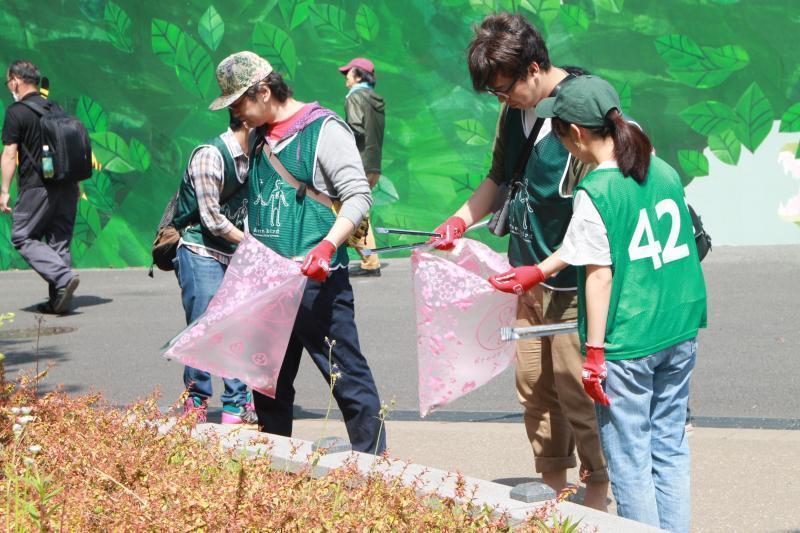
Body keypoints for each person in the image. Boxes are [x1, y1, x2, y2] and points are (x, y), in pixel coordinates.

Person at [488, 75, 707, 532]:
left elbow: (599, 273)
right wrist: (539, 271)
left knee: (628, 457)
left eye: (561, 133)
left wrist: (594, 353)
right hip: (680, 328)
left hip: (630, 338)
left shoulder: (596, 190)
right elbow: (592, 241)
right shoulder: (661, 170)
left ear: (579, 134)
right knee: (668, 448)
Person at [430, 13, 608, 508]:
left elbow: (604, 205)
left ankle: (599, 487)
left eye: (505, 88)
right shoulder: (513, 113)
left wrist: (548, 268)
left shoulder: (581, 107)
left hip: (574, 277)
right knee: (534, 385)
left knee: (578, 389)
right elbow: (497, 178)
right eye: (493, 92)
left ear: (533, 68)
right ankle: (553, 482)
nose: (501, 98)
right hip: (525, 274)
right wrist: (459, 220)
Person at [209, 51, 386, 454]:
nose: (237, 116)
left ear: (265, 92)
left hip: (317, 285)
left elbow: (359, 195)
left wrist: (327, 245)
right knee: (267, 384)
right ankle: (274, 467)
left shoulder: (324, 130)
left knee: (347, 378)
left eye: (239, 105)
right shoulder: (258, 137)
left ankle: (375, 468)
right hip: (268, 285)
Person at [172, 110, 256, 424]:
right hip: (201, 250)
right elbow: (212, 220)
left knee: (237, 327)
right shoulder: (209, 156)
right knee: (204, 329)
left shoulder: (256, 158)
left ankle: (236, 404)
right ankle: (196, 401)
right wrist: (251, 248)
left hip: (234, 252)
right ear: (248, 120)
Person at [1, 60, 80, 314]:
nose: (8, 87)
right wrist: (76, 185)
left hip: (37, 186)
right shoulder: (55, 107)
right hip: (67, 184)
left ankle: (63, 278)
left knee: (22, 236)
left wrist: (4, 191)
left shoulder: (16, 112)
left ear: (15, 80)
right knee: (58, 241)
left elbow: (9, 154)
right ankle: (59, 299)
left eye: (7, 82)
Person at [338, 57, 385, 277]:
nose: (346, 77)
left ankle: (370, 259)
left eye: (348, 73)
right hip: (373, 165)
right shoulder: (375, 99)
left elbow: (355, 128)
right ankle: (369, 257)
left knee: (350, 210)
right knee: (358, 211)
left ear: (358, 76)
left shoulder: (355, 97)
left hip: (357, 163)